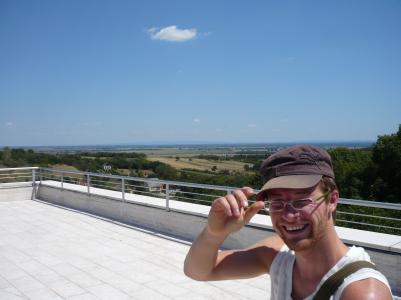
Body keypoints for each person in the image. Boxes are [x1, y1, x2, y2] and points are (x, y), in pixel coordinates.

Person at [184, 145, 392, 300]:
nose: (289, 215)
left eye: (302, 201)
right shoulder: (280, 256)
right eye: (277, 202)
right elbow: (199, 271)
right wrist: (214, 233)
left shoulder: (360, 292)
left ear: (333, 200)